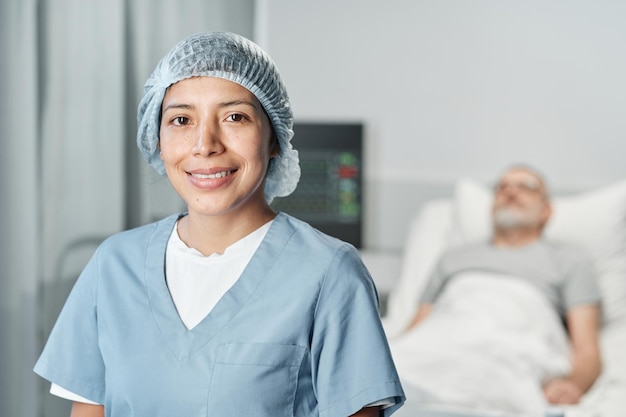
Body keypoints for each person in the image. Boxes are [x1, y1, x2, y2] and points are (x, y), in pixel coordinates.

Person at [34, 32, 405, 417]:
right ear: (157, 138)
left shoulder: (329, 274)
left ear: (274, 137)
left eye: (235, 117)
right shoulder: (114, 265)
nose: (205, 143)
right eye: (181, 119)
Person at [390, 165, 602, 416]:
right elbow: (418, 330)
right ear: (491, 207)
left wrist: (572, 385)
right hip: (441, 341)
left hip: (508, 348)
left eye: (526, 187)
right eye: (502, 187)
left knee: (490, 378)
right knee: (390, 375)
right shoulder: (453, 258)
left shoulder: (569, 259)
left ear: (546, 211)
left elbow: (587, 348)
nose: (511, 192)